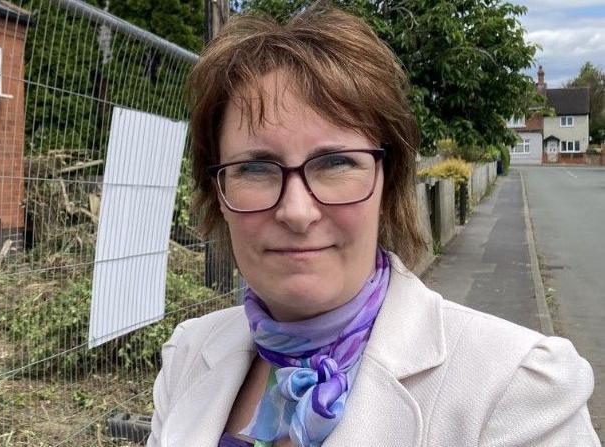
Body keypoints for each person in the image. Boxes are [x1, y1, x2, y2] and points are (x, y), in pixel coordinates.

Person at [147, 4, 599, 447]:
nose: (297, 212)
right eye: (256, 169)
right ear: (218, 194)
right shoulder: (188, 356)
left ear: (388, 183)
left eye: (336, 162)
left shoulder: (517, 390)